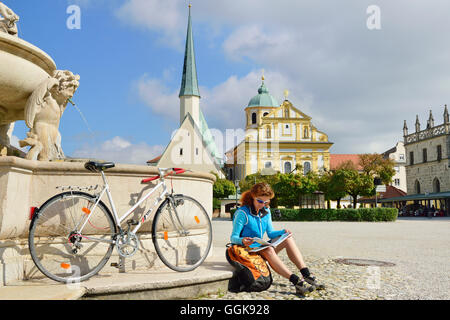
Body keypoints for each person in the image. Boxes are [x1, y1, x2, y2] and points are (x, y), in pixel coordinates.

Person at [230, 182, 325, 296]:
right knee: (268, 249)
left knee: (288, 239)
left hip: (259, 247)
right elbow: (233, 237)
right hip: (246, 250)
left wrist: (283, 232)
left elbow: (270, 233)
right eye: (260, 201)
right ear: (252, 197)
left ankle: (306, 274)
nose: (263, 205)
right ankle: (296, 281)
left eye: (266, 202)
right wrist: (243, 240)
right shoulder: (242, 213)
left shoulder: (266, 211)